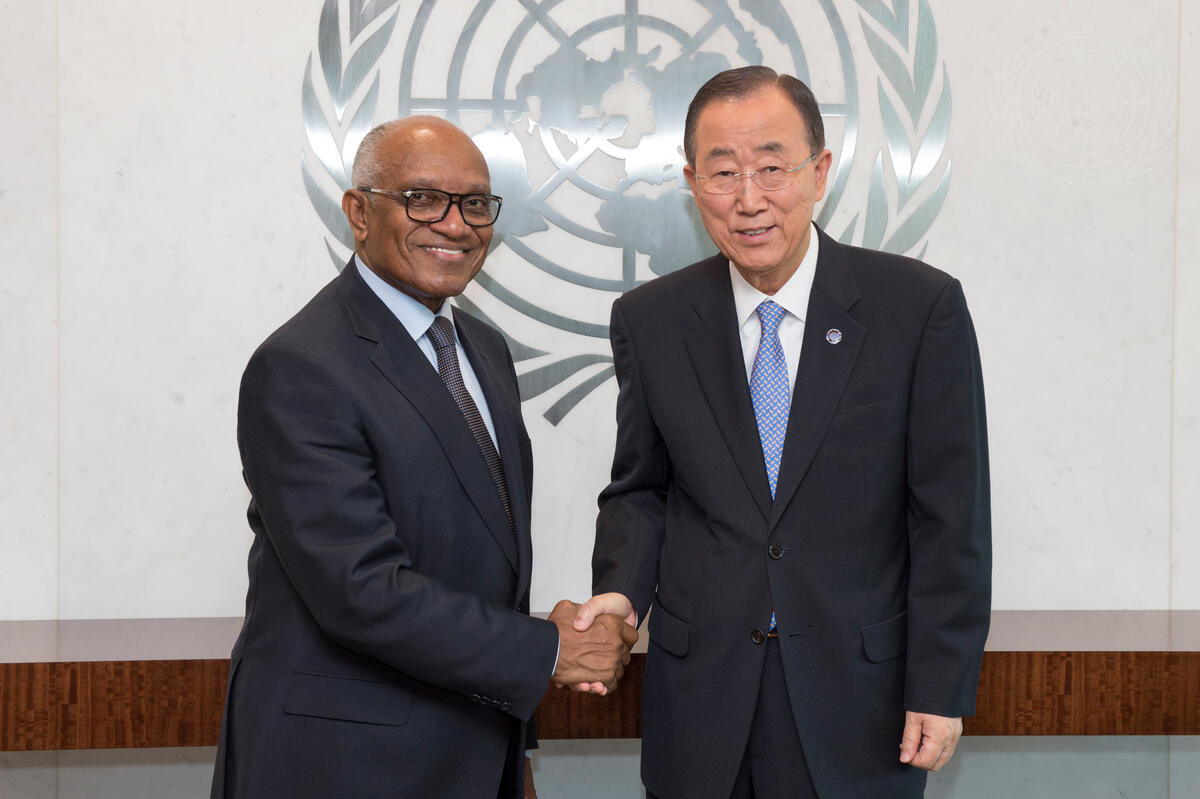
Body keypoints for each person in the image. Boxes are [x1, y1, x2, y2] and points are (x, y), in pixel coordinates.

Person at [573, 66, 991, 798]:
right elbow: (642, 488)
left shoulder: (917, 309)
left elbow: (950, 518)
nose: (749, 199)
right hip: (701, 699)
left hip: (861, 701)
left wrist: (940, 684)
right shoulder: (651, 320)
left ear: (819, 172)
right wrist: (619, 591)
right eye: (723, 172)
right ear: (692, 183)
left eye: (772, 168)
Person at [210, 116, 637, 799]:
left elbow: (485, 564)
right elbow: (360, 589)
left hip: (471, 749)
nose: (456, 224)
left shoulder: (483, 351)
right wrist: (551, 650)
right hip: (343, 765)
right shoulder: (301, 366)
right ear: (359, 213)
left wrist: (513, 754)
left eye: (475, 203)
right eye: (423, 199)